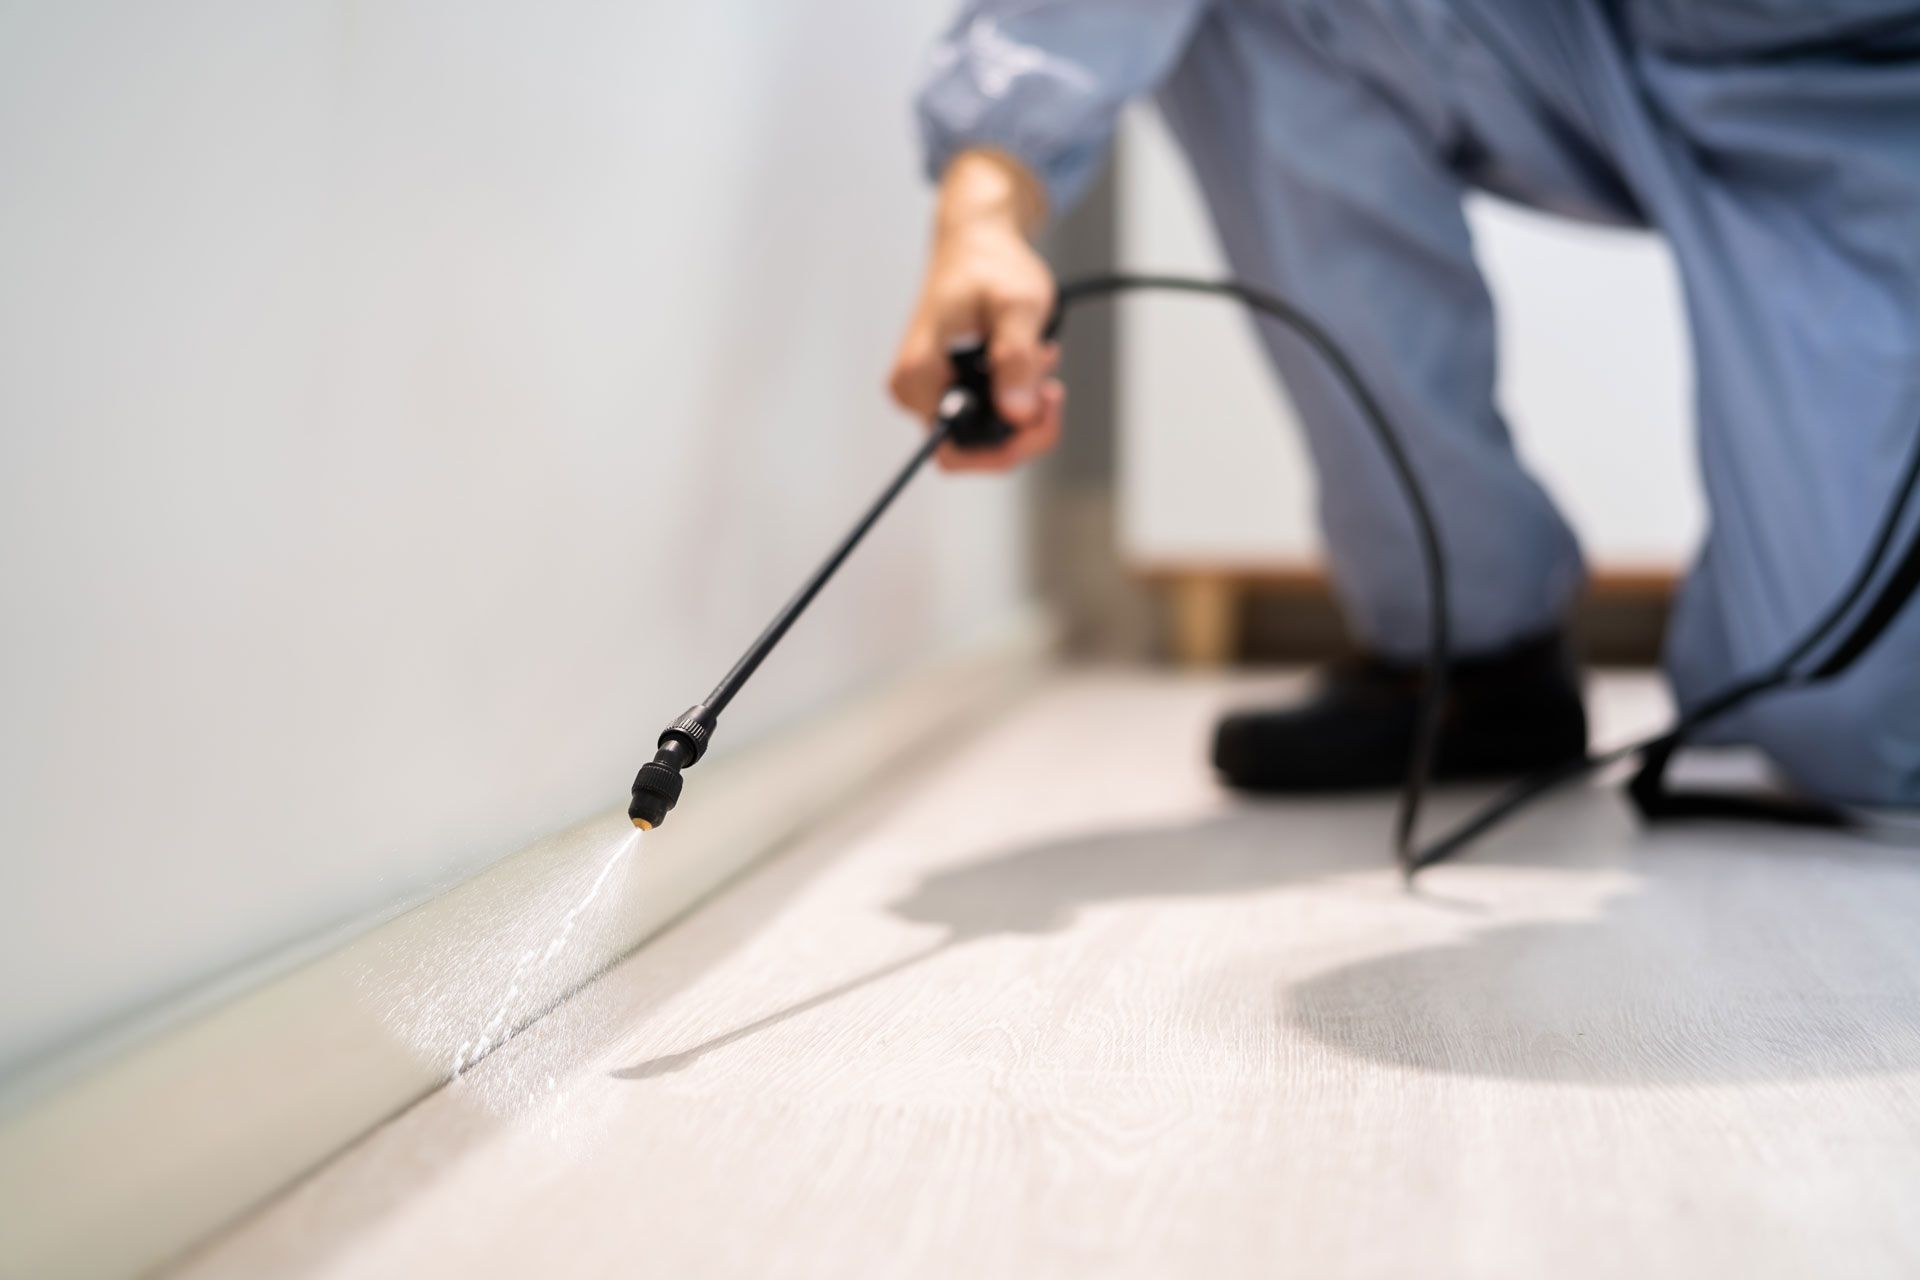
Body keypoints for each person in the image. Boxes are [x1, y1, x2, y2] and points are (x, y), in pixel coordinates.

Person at [888, 0, 1920, 806]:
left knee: (1846, 722)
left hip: (1866, 91)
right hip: (1607, 33)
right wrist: (989, 195)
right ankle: (1473, 649)